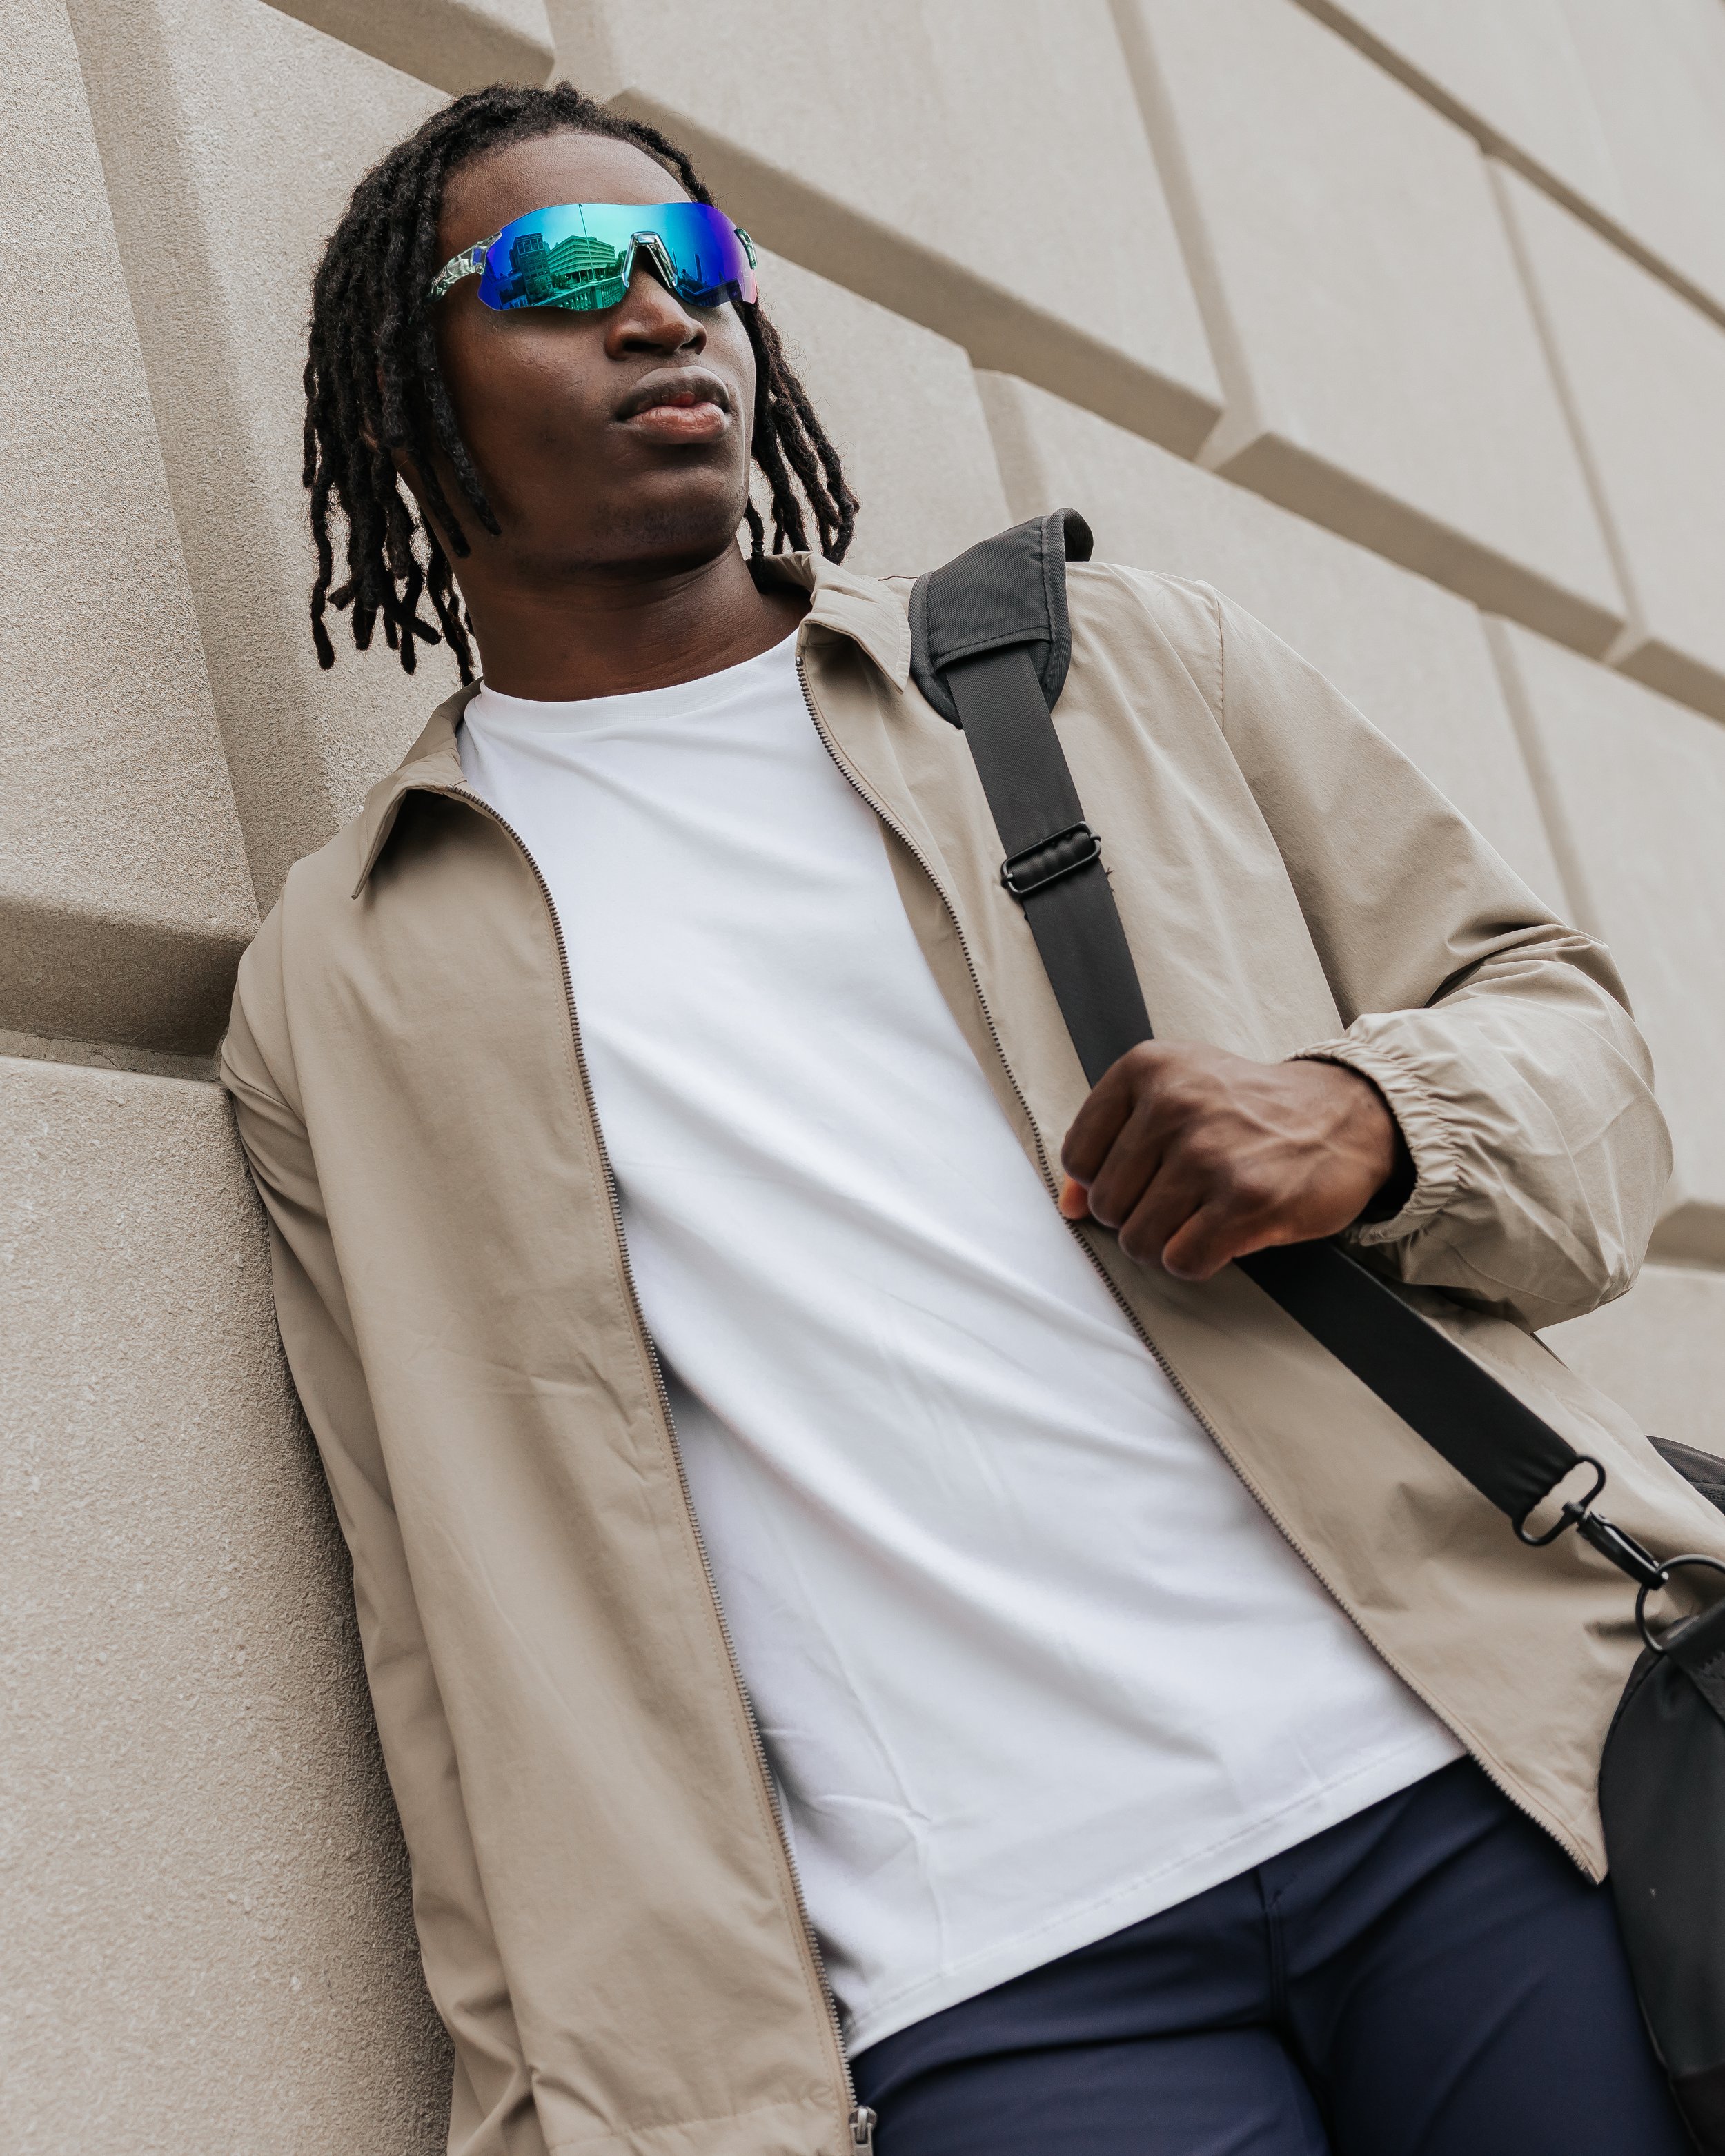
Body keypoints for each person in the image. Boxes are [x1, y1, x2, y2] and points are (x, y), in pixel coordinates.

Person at [221, 80, 1721, 2156]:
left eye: (698, 261)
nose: (661, 312)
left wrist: (1370, 1117)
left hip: (1462, 1789)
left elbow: (1570, 1042)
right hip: (987, 1964)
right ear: (403, 398)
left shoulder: (1107, 671)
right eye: (563, 274)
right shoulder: (349, 975)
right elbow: (445, 1602)